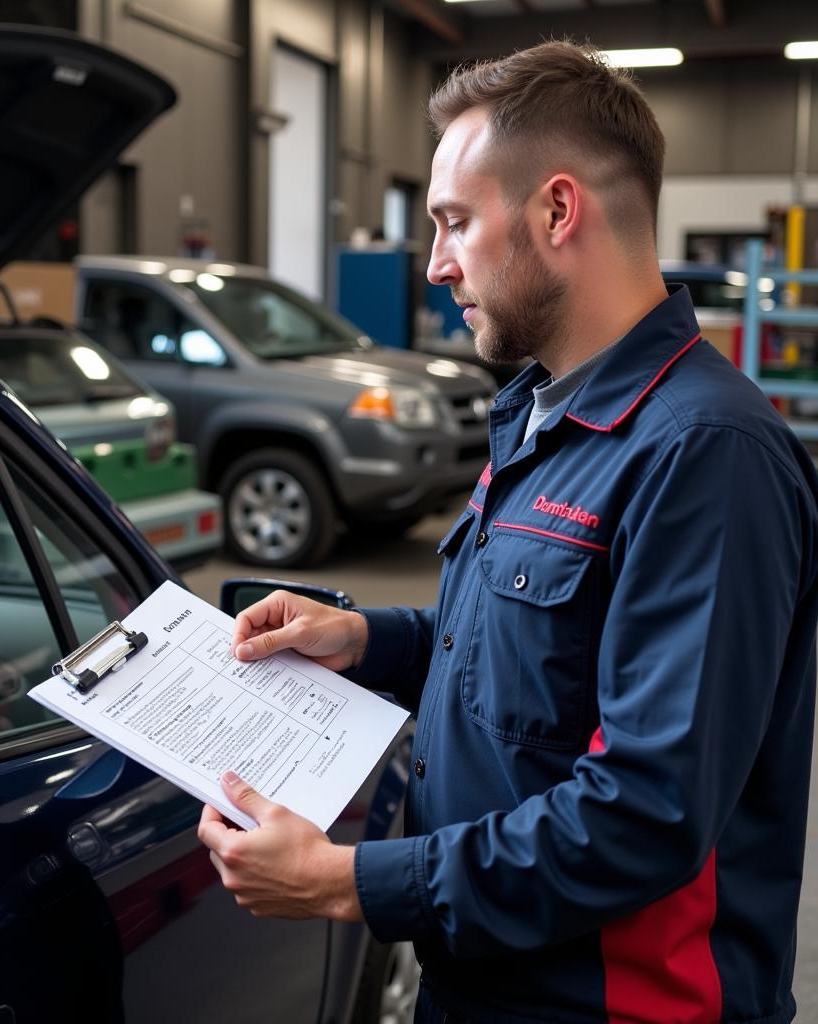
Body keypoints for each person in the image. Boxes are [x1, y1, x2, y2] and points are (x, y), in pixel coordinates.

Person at [198, 40, 818, 1024]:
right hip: (481, 980)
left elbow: (645, 812)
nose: (438, 264)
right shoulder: (542, 413)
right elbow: (539, 653)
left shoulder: (706, 453)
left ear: (556, 210)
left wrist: (349, 881)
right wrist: (367, 638)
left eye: (453, 222)